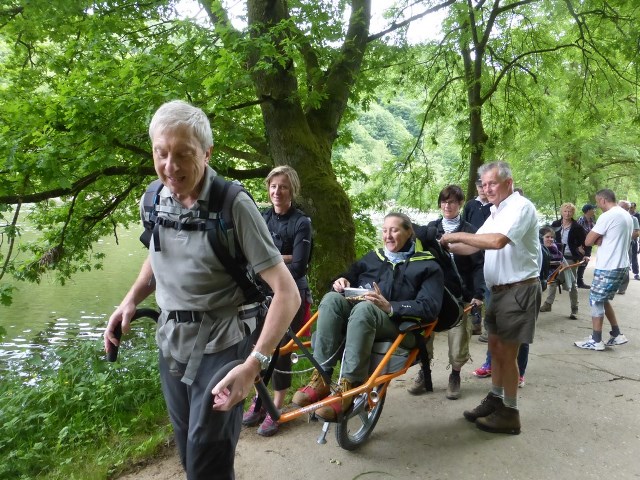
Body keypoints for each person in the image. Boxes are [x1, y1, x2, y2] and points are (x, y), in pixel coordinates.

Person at [103, 100, 300, 479]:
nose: (170, 166)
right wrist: (129, 301)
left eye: (183, 154)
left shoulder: (234, 205)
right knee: (189, 453)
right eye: (161, 153)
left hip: (223, 345)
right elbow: (157, 258)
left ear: (207, 153)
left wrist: (253, 365)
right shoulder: (154, 199)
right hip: (172, 342)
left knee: (207, 461)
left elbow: (286, 293)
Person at [291, 212, 444, 421]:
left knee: (365, 308)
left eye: (395, 230)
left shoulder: (428, 265)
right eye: (385, 230)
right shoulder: (373, 258)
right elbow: (348, 276)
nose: (388, 236)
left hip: (401, 325)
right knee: (330, 299)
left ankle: (349, 386)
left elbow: (430, 307)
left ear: (409, 233)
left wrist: (391, 306)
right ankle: (321, 376)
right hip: (363, 318)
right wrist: (341, 281)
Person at [440, 161, 541, 435]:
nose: (487, 189)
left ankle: (510, 413)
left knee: (507, 355)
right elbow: (470, 246)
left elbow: (496, 241)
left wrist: (456, 234)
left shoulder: (520, 207)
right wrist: (438, 243)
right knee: (495, 351)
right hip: (497, 291)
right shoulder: (496, 211)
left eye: (492, 183)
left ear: (509, 182)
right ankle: (496, 399)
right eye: (483, 184)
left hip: (519, 290)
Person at [242, 166, 313, 437]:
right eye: (273, 186)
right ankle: (260, 401)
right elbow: (248, 253)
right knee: (258, 348)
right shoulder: (262, 217)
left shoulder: (301, 222)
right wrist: (282, 257)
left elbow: (300, 265)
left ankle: (277, 408)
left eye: (283, 186)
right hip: (261, 294)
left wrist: (267, 260)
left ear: (292, 189)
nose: (277, 191)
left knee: (281, 351)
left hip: (293, 295)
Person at [406, 185, 485, 400]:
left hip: (461, 293)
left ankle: (455, 375)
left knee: (459, 334)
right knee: (425, 332)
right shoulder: (430, 229)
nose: (447, 205)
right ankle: (425, 371)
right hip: (434, 292)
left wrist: (478, 293)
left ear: (460, 204)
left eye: (451, 202)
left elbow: (479, 264)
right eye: (443, 201)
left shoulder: (469, 230)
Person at [575, 189, 631, 351]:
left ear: (603, 200)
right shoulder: (625, 214)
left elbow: (588, 241)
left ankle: (596, 340)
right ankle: (616, 334)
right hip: (621, 264)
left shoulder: (608, 216)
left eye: (598, 202)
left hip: (608, 265)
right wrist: (600, 238)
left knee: (595, 300)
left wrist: (598, 238)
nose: (598, 206)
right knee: (603, 299)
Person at [539, 204, 584, 319]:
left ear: (573, 213)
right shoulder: (555, 224)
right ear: (561, 212)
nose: (567, 213)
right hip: (555, 255)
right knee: (552, 280)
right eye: (565, 211)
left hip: (570, 256)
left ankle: (575, 309)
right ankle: (548, 304)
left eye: (570, 211)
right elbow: (548, 239)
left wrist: (585, 254)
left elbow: (584, 243)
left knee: (572, 282)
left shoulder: (577, 227)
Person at [462, 177, 492, 337]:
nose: (482, 189)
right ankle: (475, 323)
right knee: (475, 287)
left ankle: (488, 328)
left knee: (487, 289)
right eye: (479, 186)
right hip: (473, 250)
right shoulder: (471, 205)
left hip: (490, 251)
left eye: (485, 186)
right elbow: (464, 225)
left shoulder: (495, 206)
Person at [611, 200, 638, 295]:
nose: (624, 210)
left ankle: (622, 288)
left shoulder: (633, 219)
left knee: (625, 265)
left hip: (627, 245)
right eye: (621, 207)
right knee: (613, 265)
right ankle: (612, 286)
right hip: (613, 245)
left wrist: (626, 238)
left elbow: (637, 232)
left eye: (626, 208)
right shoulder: (612, 217)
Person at [576, 204, 597, 288]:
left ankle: (579, 281)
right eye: (593, 209)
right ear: (588, 210)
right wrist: (579, 247)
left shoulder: (592, 220)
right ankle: (578, 282)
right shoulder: (581, 220)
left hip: (588, 245)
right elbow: (576, 235)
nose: (594, 211)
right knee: (580, 262)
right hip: (581, 245)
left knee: (585, 262)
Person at [629, 202, 640, 280]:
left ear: (634, 208)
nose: (630, 209)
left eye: (632, 207)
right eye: (629, 207)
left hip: (634, 238)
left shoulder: (637, 216)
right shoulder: (625, 215)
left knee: (634, 256)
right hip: (625, 238)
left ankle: (636, 273)